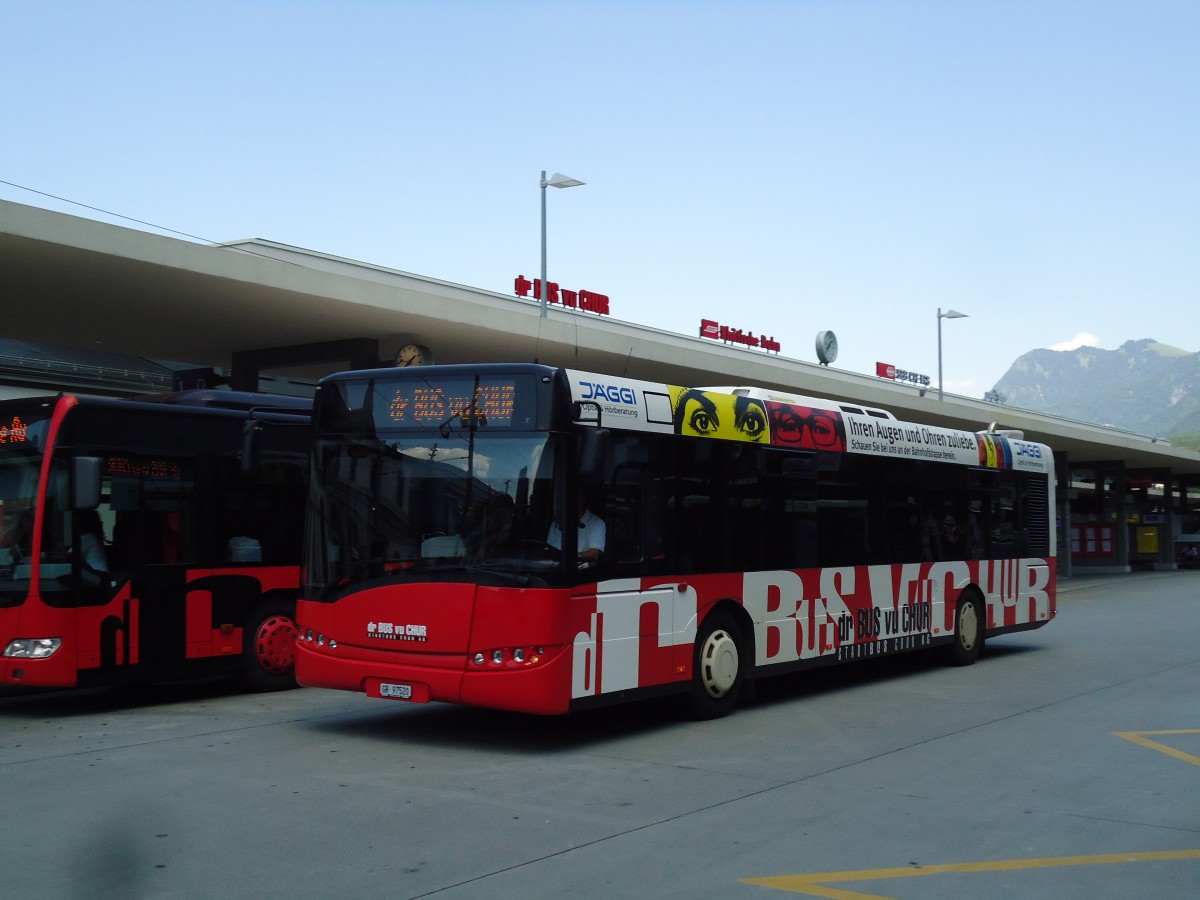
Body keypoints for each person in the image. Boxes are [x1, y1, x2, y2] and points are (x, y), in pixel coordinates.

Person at [547, 490, 606, 565]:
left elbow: (594, 553)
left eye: (577, 498)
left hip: (578, 568)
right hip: (553, 566)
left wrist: (568, 558)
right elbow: (548, 549)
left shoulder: (596, 523)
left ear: (584, 500)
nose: (572, 502)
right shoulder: (557, 522)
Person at [76, 508, 109, 586]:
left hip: (97, 577)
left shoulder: (87, 538)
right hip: (97, 577)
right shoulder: (93, 538)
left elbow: (73, 557)